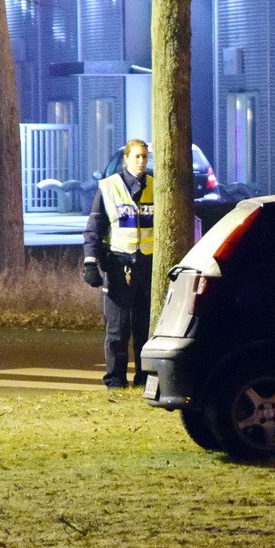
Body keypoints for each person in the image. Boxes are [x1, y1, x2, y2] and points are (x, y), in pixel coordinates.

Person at [82, 139, 154, 389]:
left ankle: (144, 379)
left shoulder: (156, 187)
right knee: (117, 330)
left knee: (144, 329)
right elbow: (93, 229)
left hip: (147, 266)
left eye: (144, 156)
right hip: (118, 266)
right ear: (126, 160)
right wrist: (90, 264)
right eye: (136, 157)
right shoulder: (109, 187)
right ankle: (115, 380)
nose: (141, 161)